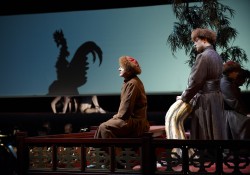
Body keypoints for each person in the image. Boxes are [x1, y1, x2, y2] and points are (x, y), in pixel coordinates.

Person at [177, 28, 226, 140]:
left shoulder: (203, 56)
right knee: (215, 131)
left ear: (204, 40)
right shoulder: (217, 56)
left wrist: (184, 97)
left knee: (205, 134)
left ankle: (204, 155)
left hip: (206, 100)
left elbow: (195, 81)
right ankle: (215, 155)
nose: (194, 44)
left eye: (196, 40)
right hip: (216, 98)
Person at [94, 56, 150, 138]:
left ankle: (113, 151)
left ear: (129, 70)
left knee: (104, 127)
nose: (119, 69)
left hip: (135, 123)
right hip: (132, 120)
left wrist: (115, 118)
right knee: (103, 126)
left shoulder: (132, 83)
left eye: (121, 67)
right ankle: (98, 150)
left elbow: (125, 111)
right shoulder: (131, 82)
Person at [220, 61, 250, 139]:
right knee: (246, 121)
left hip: (232, 111)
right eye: (236, 71)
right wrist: (245, 113)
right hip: (228, 113)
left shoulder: (229, 82)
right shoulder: (225, 83)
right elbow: (232, 101)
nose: (237, 73)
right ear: (230, 72)